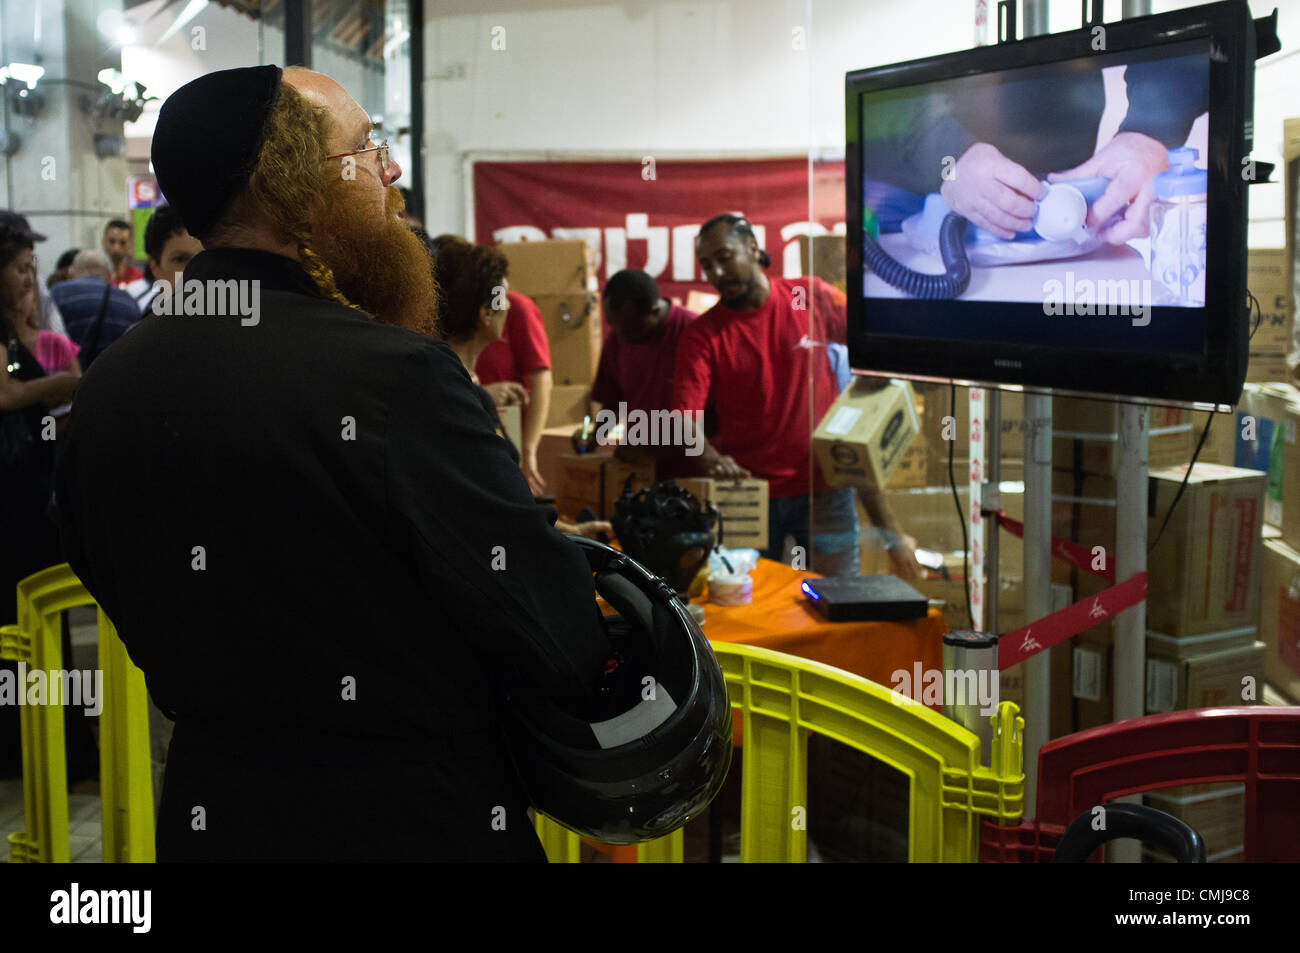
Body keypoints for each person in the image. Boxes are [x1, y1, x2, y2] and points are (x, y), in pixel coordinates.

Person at [55, 65, 615, 862]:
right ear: (290, 183)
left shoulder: (108, 388)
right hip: (413, 825)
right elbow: (557, 634)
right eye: (366, 147)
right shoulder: (397, 377)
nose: (389, 169)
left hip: (214, 817)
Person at [674, 214, 921, 579]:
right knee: (750, 606)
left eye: (724, 257)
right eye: (707, 265)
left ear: (753, 248)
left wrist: (874, 372)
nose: (716, 272)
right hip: (749, 493)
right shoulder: (703, 336)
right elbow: (683, 422)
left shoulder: (810, 297)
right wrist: (710, 458)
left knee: (838, 600)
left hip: (825, 488)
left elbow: (870, 340)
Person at [432, 238, 613, 541]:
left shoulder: (448, 379)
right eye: (503, 297)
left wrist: (569, 531)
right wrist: (570, 537)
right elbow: (501, 500)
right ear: (485, 313)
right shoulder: (465, 395)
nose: (510, 304)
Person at [0, 212, 88, 781]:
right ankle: (22, 747)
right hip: (8, 503)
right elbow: (7, 396)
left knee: (43, 618)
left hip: (33, 497)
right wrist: (64, 384)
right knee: (14, 620)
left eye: (32, 267)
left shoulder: (40, 335)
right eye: (17, 266)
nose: (29, 277)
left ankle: (56, 744)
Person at [590, 269, 697, 480]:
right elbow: (613, 401)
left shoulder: (692, 333)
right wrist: (592, 441)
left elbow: (712, 418)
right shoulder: (618, 338)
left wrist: (654, 452)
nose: (622, 338)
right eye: (614, 327)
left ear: (655, 310)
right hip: (639, 471)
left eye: (631, 331)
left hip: (691, 472)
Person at [48, 251, 141, 369]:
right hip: (114, 380)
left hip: (68, 382)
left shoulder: (58, 293)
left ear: (72, 272)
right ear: (110, 275)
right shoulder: (128, 301)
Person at [132, 204, 204, 314]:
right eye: (180, 260)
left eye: (204, 258)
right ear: (155, 267)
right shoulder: (142, 328)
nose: (196, 271)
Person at [101, 219, 144, 289]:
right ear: (103, 242)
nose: (116, 248)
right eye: (112, 241)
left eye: (122, 243)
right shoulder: (97, 276)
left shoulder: (139, 278)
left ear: (130, 244)